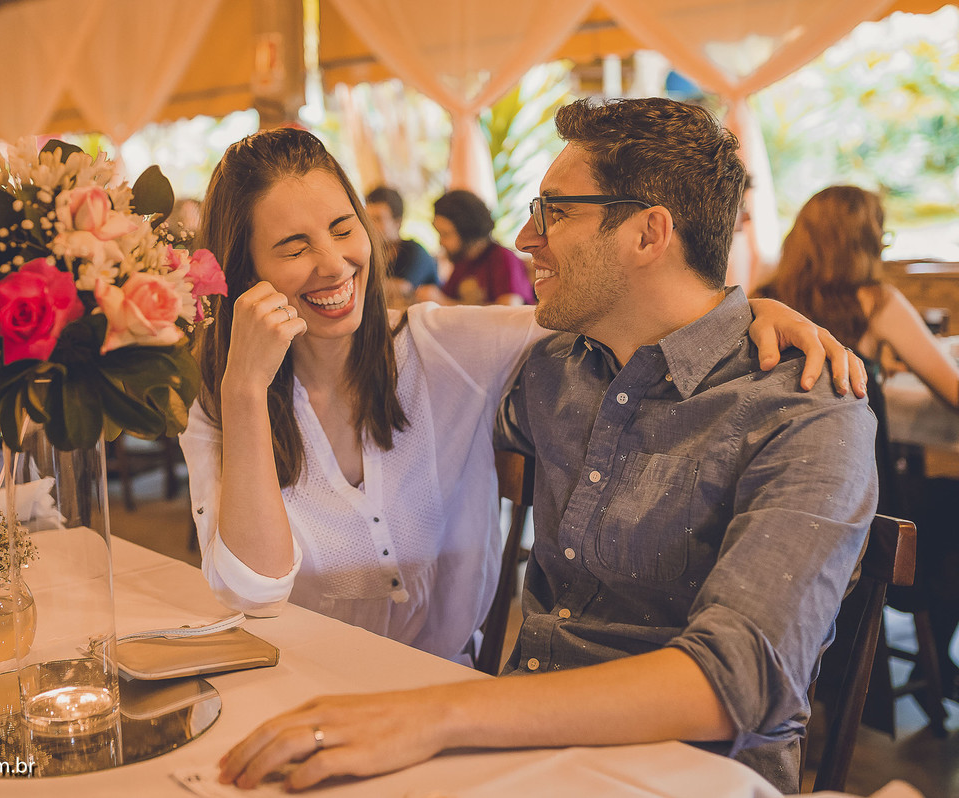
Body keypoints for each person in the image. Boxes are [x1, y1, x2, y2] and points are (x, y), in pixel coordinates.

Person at [216, 100, 877, 795]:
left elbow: (739, 678)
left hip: (688, 773)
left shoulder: (806, 408)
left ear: (650, 234)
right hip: (514, 751)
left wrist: (438, 713)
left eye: (555, 211)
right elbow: (383, 396)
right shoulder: (560, 368)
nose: (526, 236)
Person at [761, 184, 959, 700]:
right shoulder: (875, 300)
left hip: (780, 494)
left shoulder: (767, 295)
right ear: (863, 243)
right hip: (862, 505)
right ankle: (935, 662)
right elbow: (953, 391)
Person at [416, 188, 534, 306]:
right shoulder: (463, 262)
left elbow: (509, 309)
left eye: (445, 234)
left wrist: (444, 303)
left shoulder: (502, 258)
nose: (441, 242)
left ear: (467, 233)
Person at [364, 186, 439, 302]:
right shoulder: (371, 253)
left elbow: (403, 289)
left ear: (398, 223)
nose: (370, 226)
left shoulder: (415, 251)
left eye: (378, 219)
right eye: (367, 219)